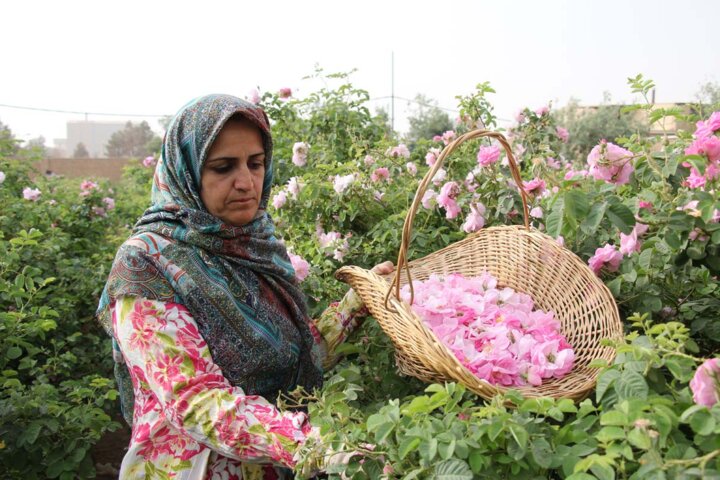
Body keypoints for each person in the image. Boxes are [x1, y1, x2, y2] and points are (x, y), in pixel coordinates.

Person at [96, 94, 392, 479]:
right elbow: (195, 401)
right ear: (186, 171)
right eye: (223, 167)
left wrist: (357, 304)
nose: (246, 182)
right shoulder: (147, 264)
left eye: (256, 164)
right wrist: (322, 447)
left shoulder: (255, 246)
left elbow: (293, 358)